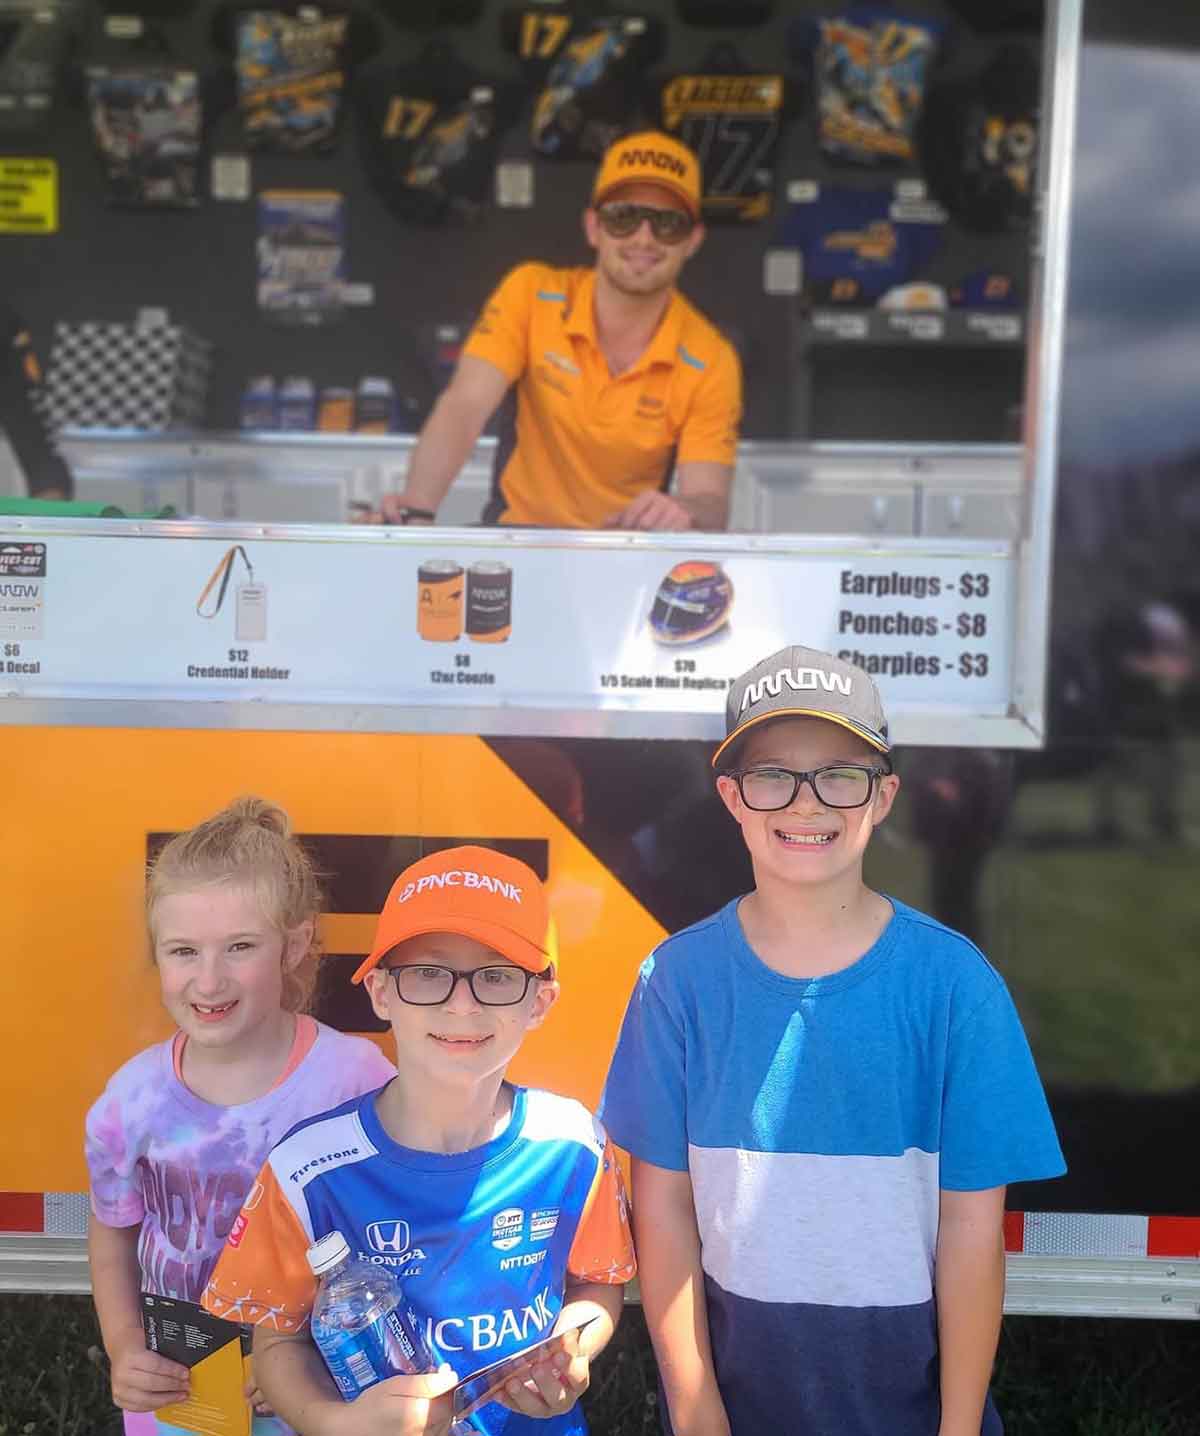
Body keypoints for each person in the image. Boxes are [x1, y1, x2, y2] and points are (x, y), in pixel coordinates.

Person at [600, 644, 1066, 1436]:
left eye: (839, 777)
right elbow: (665, 1212)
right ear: (730, 797)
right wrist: (696, 1409)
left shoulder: (955, 987)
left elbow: (972, 1231)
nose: (805, 805)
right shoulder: (675, 983)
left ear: (883, 798)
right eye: (772, 775)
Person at [202, 844, 635, 1436]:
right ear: (381, 992)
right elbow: (277, 1342)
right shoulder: (307, 1169)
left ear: (541, 1001)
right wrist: (335, 1424)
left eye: (497, 976)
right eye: (428, 973)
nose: (462, 1003)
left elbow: (596, 1282)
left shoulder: (574, 1145)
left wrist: (575, 1348)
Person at [85, 797, 396, 1436]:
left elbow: (395, 1224)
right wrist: (123, 1346)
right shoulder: (129, 1100)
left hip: (320, 1385)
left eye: (239, 946)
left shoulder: (357, 1080)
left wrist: (293, 1356)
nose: (209, 979)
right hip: (180, 1392)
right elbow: (113, 1229)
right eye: (182, 951)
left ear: (295, 945)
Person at [381, 130, 742, 531]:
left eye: (667, 223)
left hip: (626, 557)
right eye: (623, 217)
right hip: (517, 544)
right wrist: (416, 507)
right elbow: (464, 406)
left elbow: (710, 501)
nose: (643, 238)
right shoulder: (532, 292)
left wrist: (685, 510)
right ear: (593, 227)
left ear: (692, 240)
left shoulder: (711, 357)